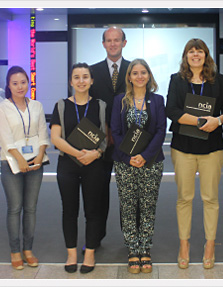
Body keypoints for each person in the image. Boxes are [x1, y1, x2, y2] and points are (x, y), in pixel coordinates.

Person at [166, 39, 223, 270]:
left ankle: (209, 246)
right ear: (186, 56)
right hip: (183, 147)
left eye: (200, 51)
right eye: (191, 51)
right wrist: (199, 121)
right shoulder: (176, 80)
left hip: (211, 147)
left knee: (210, 199)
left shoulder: (218, 80)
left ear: (206, 55)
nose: (195, 55)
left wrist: (218, 120)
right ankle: (183, 245)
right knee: (184, 198)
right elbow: (171, 110)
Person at [50, 63, 108, 274]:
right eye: (77, 77)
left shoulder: (100, 106)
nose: (81, 81)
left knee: (93, 210)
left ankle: (90, 253)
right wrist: (79, 154)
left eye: (85, 77)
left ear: (91, 80)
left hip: (94, 165)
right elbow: (55, 138)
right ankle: (72, 253)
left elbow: (105, 137)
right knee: (69, 210)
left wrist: (96, 154)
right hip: (68, 165)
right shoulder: (62, 105)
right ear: (71, 81)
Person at [111, 59, 166, 274]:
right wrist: (130, 156)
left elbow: (161, 131)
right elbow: (115, 131)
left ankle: (146, 249)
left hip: (151, 162)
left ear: (149, 76)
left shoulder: (158, 100)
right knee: (128, 205)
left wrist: (144, 155)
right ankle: (133, 249)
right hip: (125, 163)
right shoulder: (120, 101)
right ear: (129, 77)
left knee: (147, 206)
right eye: (135, 73)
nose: (140, 76)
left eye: (144, 72)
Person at [0, 66, 50, 270]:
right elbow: (6, 138)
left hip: (35, 161)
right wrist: (19, 159)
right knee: (15, 208)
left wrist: (39, 156)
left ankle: (28, 250)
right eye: (15, 83)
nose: (20, 86)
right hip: (11, 163)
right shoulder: (2, 108)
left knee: (31, 208)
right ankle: (15, 251)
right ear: (8, 86)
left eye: (23, 82)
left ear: (29, 83)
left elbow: (43, 133)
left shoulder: (36, 106)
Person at [89, 27, 131, 249]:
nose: (113, 44)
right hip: (101, 143)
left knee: (128, 194)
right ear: (103, 44)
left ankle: (131, 239)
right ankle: (95, 238)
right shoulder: (92, 72)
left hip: (128, 142)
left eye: (117, 40)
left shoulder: (134, 70)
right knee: (98, 194)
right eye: (109, 40)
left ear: (124, 43)